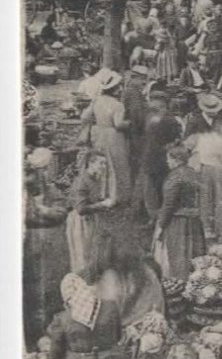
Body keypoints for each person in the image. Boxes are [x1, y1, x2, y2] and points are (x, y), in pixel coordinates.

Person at [23, 149, 70, 345]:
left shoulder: (51, 191)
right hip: (32, 244)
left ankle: (52, 331)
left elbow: (62, 210)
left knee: (52, 286)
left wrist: (45, 211)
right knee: (33, 289)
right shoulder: (22, 195)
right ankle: (35, 334)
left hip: (51, 246)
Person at [153, 143, 206, 280]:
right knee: (194, 255)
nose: (167, 161)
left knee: (178, 257)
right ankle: (195, 285)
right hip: (194, 220)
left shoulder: (175, 177)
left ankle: (180, 285)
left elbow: (169, 204)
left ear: (176, 160)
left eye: (169, 159)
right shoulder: (193, 173)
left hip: (178, 222)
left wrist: (160, 226)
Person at [78, 71, 132, 204]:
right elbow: (118, 124)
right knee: (116, 165)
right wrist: (130, 123)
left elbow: (84, 117)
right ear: (114, 89)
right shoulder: (117, 105)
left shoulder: (97, 100)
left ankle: (100, 193)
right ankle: (115, 195)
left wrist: (95, 122)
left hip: (99, 133)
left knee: (102, 163)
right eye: (118, 87)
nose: (120, 89)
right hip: (113, 136)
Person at [132, 88, 181, 221]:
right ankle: (156, 215)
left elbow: (176, 139)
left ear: (160, 103)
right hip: (156, 157)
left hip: (155, 157)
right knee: (155, 187)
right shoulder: (157, 117)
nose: (150, 104)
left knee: (153, 188)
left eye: (153, 101)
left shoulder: (162, 118)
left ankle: (155, 216)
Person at [187, 96, 222, 237]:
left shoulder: (219, 122)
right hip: (201, 161)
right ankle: (205, 227)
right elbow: (188, 143)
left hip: (217, 161)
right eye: (210, 110)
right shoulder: (194, 122)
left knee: (220, 194)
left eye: (215, 110)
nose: (213, 113)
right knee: (204, 195)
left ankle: (220, 227)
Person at [64, 151, 117, 275]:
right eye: (101, 163)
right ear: (90, 163)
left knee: (95, 254)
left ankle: (94, 285)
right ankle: (81, 287)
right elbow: (81, 209)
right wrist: (103, 204)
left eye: (105, 164)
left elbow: (91, 200)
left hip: (91, 220)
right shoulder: (81, 181)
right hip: (80, 222)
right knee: (83, 256)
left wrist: (102, 204)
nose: (104, 167)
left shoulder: (94, 178)